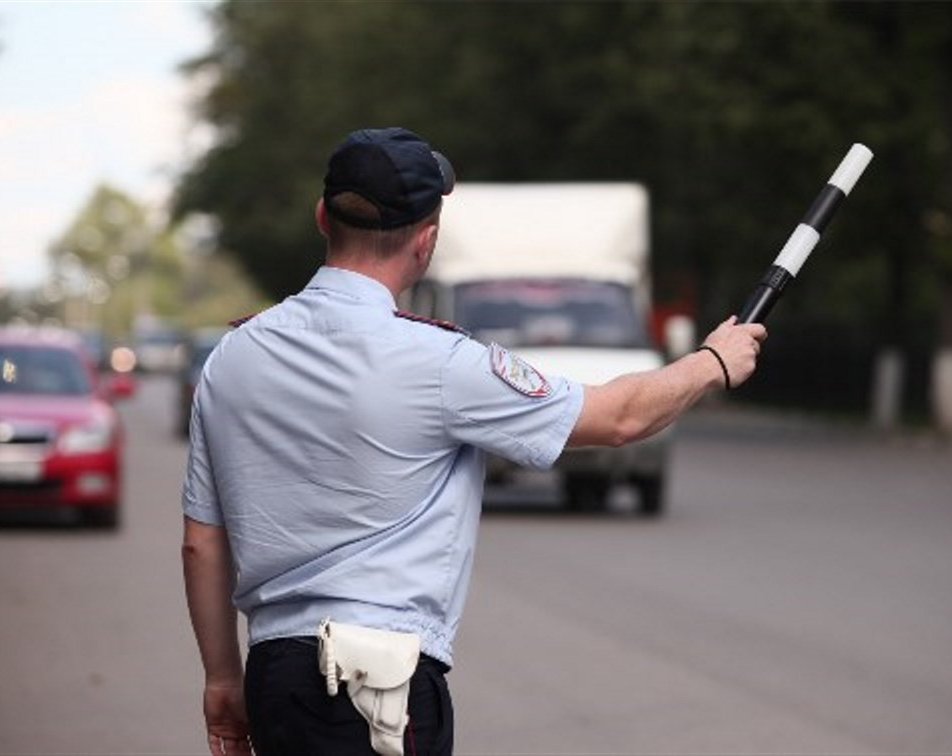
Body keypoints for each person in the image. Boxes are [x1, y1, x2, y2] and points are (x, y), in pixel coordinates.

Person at [181, 127, 767, 756]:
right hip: (379, 686)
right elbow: (619, 418)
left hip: (275, 675)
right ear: (427, 240)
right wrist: (713, 361)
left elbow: (201, 542)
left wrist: (222, 677)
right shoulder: (440, 363)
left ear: (324, 217)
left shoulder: (233, 357)